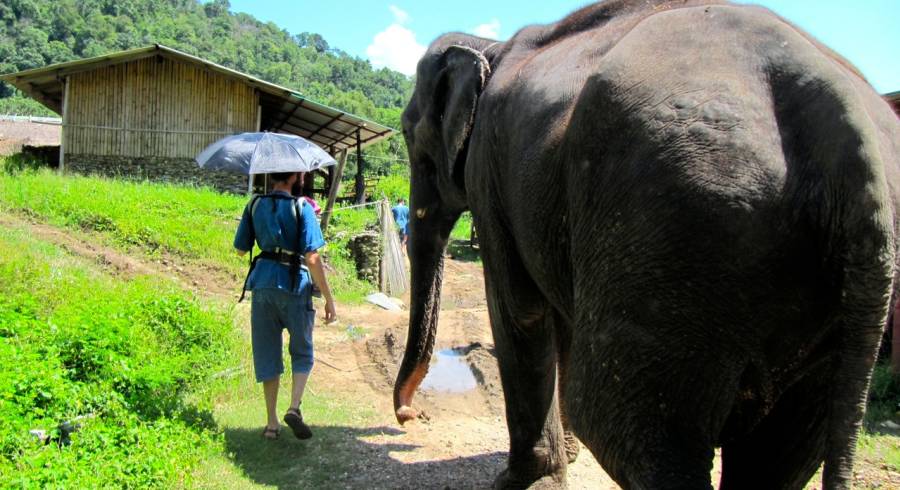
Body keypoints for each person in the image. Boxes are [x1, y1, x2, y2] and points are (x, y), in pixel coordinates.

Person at [233, 171, 337, 440]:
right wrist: (328, 298)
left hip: (263, 284)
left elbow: (241, 249)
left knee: (267, 351)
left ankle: (271, 423)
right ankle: (294, 407)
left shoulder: (254, 204)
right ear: (293, 177)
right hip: (294, 285)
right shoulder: (302, 207)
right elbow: (312, 257)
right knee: (302, 349)